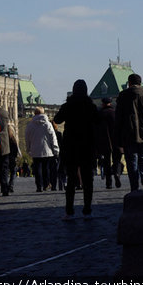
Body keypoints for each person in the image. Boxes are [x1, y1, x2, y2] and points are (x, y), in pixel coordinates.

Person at [54, 79, 99, 220]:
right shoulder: (91, 106)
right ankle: (87, 209)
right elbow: (97, 121)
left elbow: (57, 119)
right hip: (87, 145)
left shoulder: (68, 105)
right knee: (87, 180)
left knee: (71, 179)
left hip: (71, 146)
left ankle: (69, 211)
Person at [115, 73, 143, 192]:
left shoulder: (123, 96)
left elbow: (118, 118)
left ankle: (135, 186)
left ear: (129, 83)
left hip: (129, 134)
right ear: (140, 83)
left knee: (132, 161)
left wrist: (117, 138)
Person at [25, 106, 60, 192]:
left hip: (35, 150)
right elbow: (53, 137)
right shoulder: (47, 124)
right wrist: (55, 149)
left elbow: (27, 138)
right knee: (46, 168)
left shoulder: (30, 125)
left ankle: (39, 186)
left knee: (37, 169)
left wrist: (28, 149)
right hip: (47, 150)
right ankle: (46, 184)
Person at [96, 97, 120, 189]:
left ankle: (108, 183)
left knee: (106, 162)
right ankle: (117, 173)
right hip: (116, 140)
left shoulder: (100, 114)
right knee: (117, 160)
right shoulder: (115, 113)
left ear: (103, 104)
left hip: (104, 141)